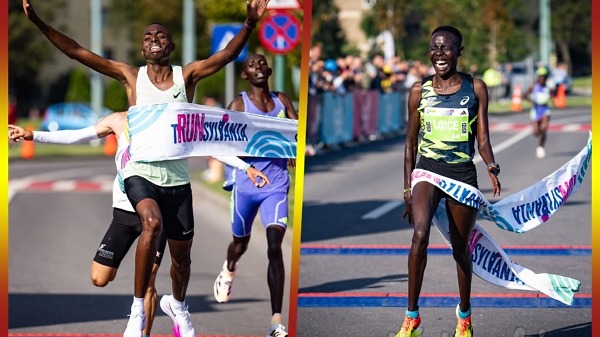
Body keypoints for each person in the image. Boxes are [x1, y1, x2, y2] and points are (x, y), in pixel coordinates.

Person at [22, 0, 270, 335]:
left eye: (161, 35)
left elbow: (224, 57)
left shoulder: (188, 76)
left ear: (171, 46)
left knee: (182, 262)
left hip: (176, 181)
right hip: (140, 174)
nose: (154, 38)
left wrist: (249, 24)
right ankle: (137, 309)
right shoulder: (130, 76)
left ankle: (177, 305)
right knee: (151, 222)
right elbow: (78, 52)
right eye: (148, 36)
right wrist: (37, 21)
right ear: (142, 48)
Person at [8, 113, 269, 337]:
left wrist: (244, 167)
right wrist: (32, 134)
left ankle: (144, 331)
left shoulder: (169, 119)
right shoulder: (119, 120)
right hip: (124, 212)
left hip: (156, 211)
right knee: (99, 277)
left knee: (148, 281)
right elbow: (78, 135)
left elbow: (207, 144)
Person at [399, 26, 501, 337]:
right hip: (428, 171)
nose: (439, 53)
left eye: (446, 48)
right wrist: (407, 188)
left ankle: (465, 317)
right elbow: (409, 144)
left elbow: (482, 138)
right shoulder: (419, 90)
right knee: (419, 235)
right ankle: (412, 318)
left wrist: (492, 165)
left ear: (459, 52)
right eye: (434, 47)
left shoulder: (476, 88)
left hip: (461, 174)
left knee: (460, 248)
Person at [212, 54, 298, 337]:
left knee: (275, 245)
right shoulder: (238, 105)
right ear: (244, 76)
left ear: (270, 70)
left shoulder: (282, 101)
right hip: (246, 186)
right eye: (252, 65)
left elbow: (297, 133)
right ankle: (229, 266)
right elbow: (222, 144)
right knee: (240, 243)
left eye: (262, 63)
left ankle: (276, 321)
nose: (258, 67)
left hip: (276, 184)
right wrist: (245, 168)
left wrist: (295, 151)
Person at [524, 67, 553, 159]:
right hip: (536, 110)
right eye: (540, 77)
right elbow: (524, 95)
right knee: (536, 132)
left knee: (544, 128)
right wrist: (532, 101)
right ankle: (539, 135)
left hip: (545, 109)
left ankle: (540, 146)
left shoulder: (548, 86)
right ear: (538, 77)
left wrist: (550, 97)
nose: (542, 79)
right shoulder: (534, 86)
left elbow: (552, 95)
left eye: (544, 77)